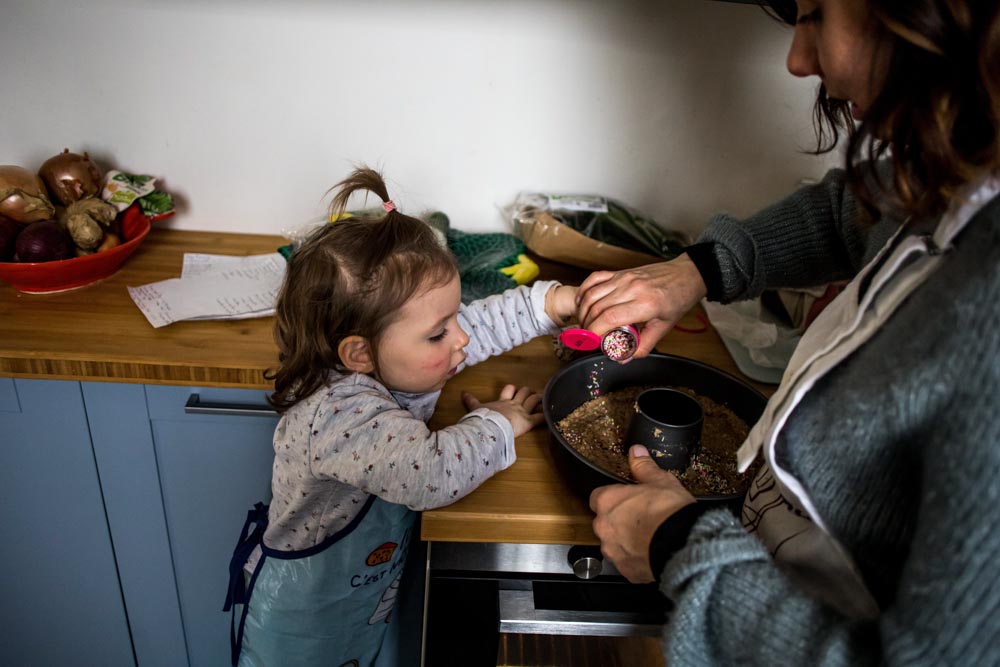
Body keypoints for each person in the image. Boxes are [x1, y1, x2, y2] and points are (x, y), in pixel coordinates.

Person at [578, 0, 1000, 664]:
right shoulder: (962, 166)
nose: (797, 60)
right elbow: (851, 211)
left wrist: (680, 546)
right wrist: (698, 271)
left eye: (815, 15)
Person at [223, 166, 577, 667]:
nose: (461, 339)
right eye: (439, 334)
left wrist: (557, 302)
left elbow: (480, 322)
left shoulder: (392, 348)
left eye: (453, 320)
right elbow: (434, 473)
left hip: (355, 603)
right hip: (301, 627)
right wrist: (499, 421)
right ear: (359, 354)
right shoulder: (341, 413)